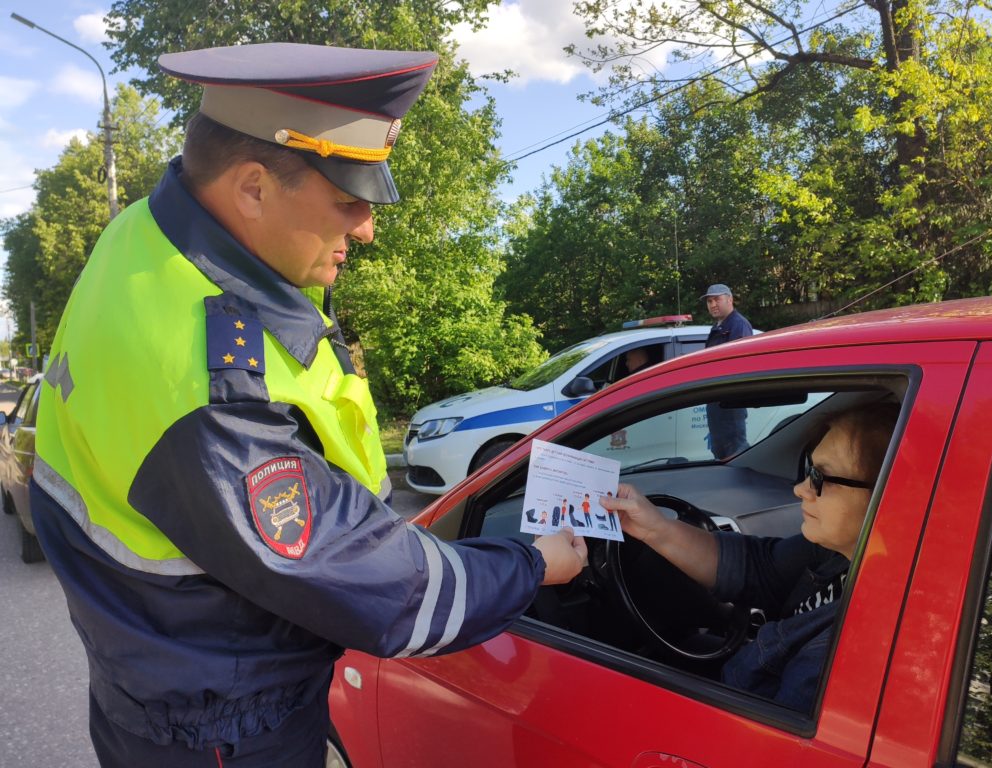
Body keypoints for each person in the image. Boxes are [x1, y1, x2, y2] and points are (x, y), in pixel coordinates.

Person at [30, 42, 586, 767]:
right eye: (348, 199)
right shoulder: (211, 386)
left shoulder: (142, 237)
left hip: (157, 677)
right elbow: (383, 594)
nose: (366, 228)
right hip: (225, 727)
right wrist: (535, 563)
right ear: (252, 188)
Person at [600, 401, 899, 712]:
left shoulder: (845, 654)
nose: (800, 489)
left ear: (887, 492)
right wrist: (654, 528)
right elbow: (759, 567)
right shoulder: (842, 552)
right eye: (808, 470)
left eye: (821, 478)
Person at [701, 284, 754, 458]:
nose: (713, 304)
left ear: (730, 299)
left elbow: (741, 366)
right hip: (718, 403)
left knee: (735, 454)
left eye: (717, 299)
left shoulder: (738, 325)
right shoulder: (718, 326)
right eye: (709, 301)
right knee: (722, 453)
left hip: (731, 404)